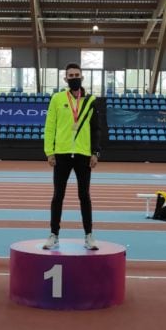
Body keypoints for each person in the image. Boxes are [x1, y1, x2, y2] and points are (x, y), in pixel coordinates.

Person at [43, 63, 102, 250]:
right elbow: (50, 125)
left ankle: (89, 235)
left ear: (82, 77)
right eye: (70, 75)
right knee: (57, 196)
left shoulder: (91, 100)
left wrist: (95, 152)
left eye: (77, 74)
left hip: (83, 154)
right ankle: (54, 234)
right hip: (62, 153)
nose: (74, 77)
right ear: (65, 79)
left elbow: (96, 130)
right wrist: (49, 151)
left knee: (84, 196)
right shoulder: (57, 98)